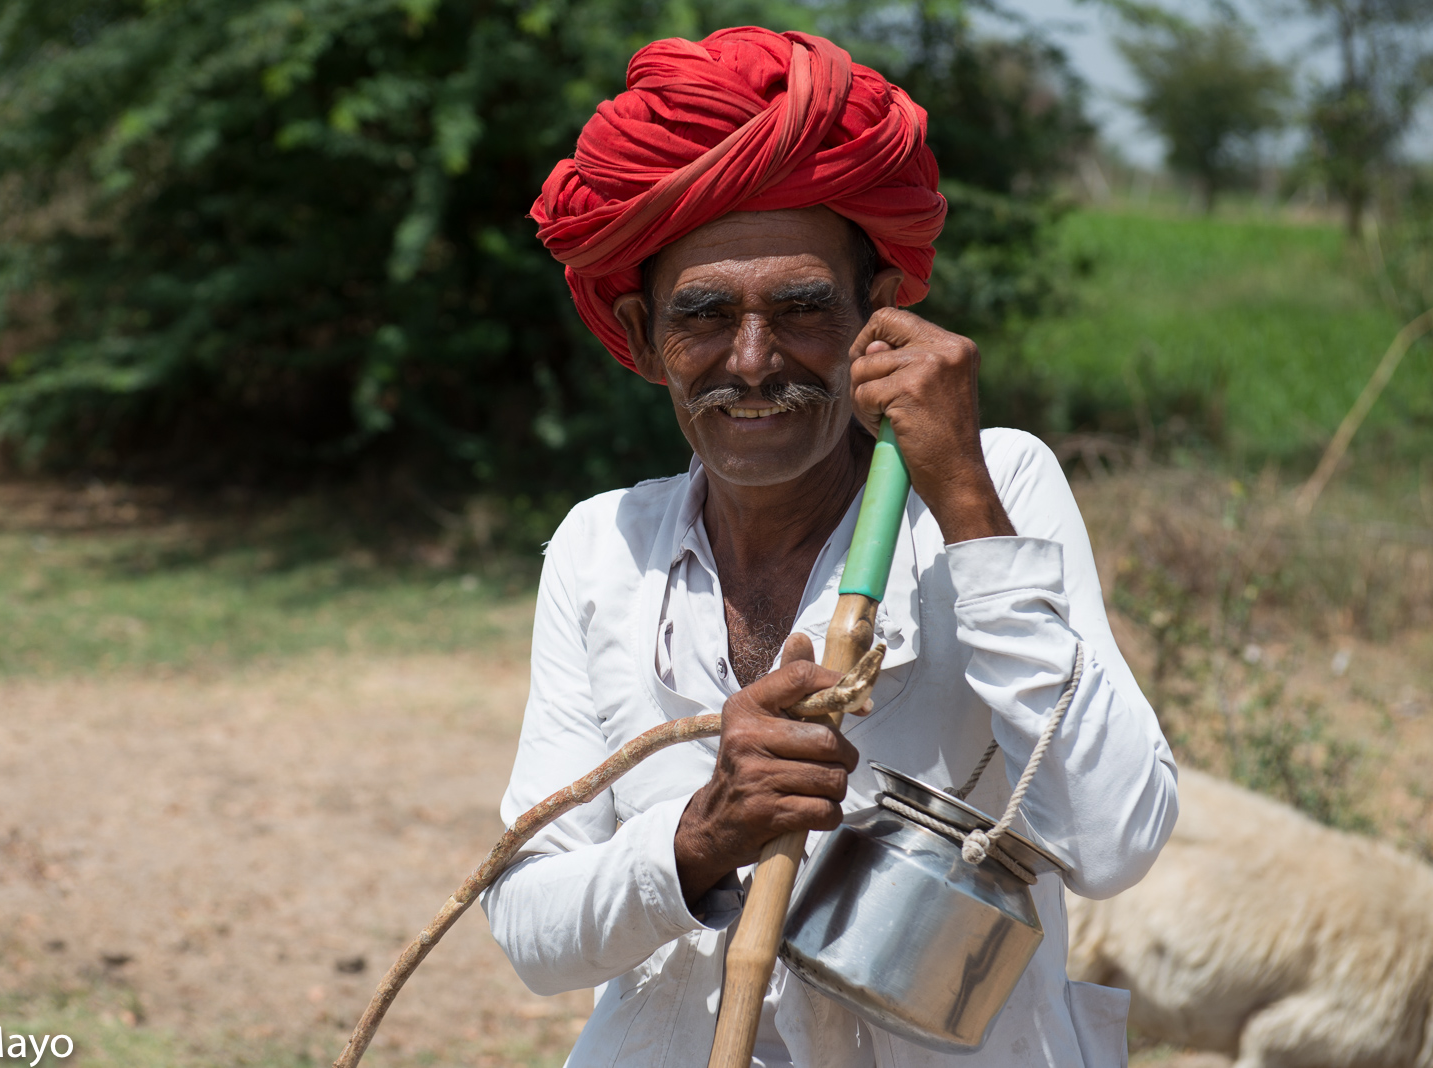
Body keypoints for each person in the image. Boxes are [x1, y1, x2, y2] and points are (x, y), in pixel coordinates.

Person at [479, 26, 1177, 1068]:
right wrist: (703, 833)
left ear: (878, 316)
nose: (753, 361)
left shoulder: (993, 489)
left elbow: (1115, 839)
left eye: (802, 310)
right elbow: (531, 927)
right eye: (703, 317)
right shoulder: (602, 549)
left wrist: (970, 510)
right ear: (639, 332)